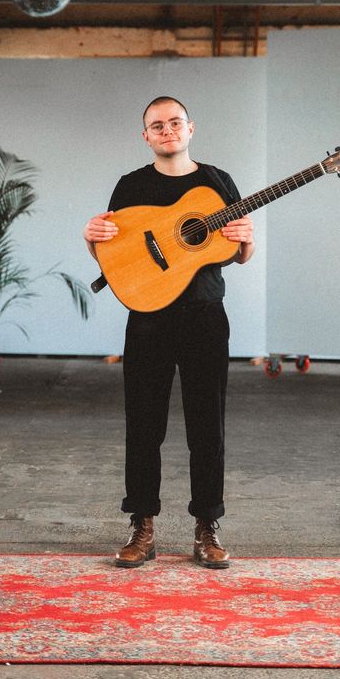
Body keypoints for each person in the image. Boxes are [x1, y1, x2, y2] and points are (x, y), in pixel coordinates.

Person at [83, 96, 254, 570]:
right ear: (146, 136)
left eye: (174, 123)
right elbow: (116, 260)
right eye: (156, 126)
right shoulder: (131, 185)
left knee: (208, 425)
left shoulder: (217, 184)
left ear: (190, 127)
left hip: (204, 314)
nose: (167, 131)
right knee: (143, 423)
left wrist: (247, 243)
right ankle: (142, 526)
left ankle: (207, 528)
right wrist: (89, 240)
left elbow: (237, 256)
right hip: (148, 318)